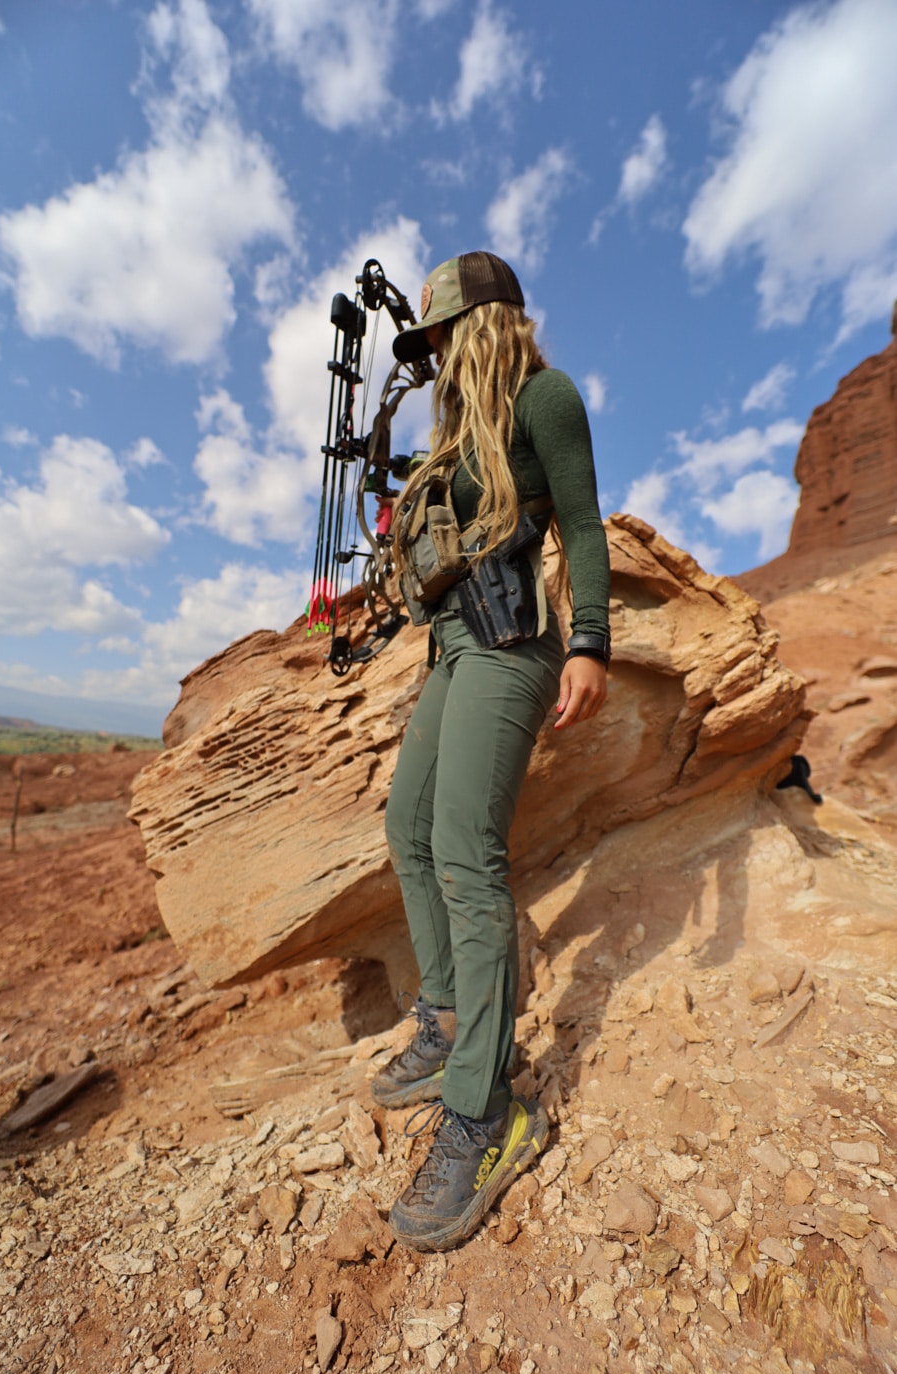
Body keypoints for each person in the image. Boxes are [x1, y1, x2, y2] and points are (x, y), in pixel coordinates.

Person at [372, 251, 610, 1252]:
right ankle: (443, 1013)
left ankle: (488, 1109)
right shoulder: (451, 433)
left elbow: (586, 525)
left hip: (514, 647)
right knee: (408, 827)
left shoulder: (544, 398)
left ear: (482, 323)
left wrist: (591, 640)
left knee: (468, 853)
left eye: (437, 335)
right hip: (452, 647)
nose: (428, 355)